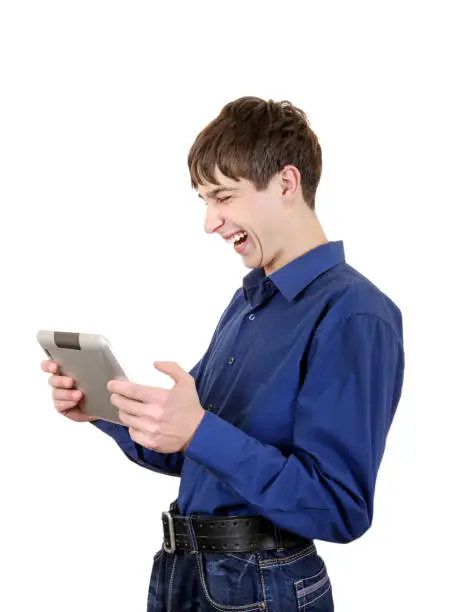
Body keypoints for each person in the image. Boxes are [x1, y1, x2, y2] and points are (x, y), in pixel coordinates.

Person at [41, 96, 405, 611]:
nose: (211, 222)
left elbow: (338, 506)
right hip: (185, 575)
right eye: (205, 201)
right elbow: (187, 448)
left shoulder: (355, 314)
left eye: (224, 197)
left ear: (286, 184)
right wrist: (103, 409)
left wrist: (196, 430)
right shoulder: (249, 302)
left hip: (262, 588)